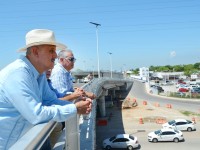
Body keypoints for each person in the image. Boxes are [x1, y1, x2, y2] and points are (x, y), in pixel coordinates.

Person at [0, 29, 92, 149]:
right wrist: (74, 108)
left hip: (26, 141)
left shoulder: (39, 74)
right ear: (35, 52)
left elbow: (50, 100)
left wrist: (77, 105)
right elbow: (36, 114)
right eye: (51, 51)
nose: (55, 55)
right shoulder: (18, 74)